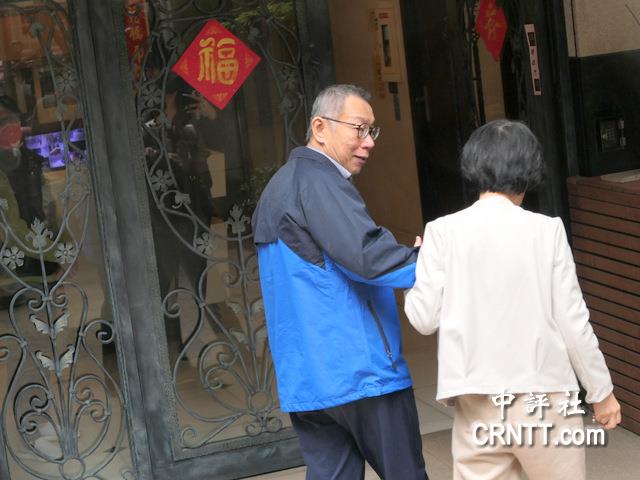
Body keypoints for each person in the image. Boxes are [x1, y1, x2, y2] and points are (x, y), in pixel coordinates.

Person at [404, 119, 621, 480]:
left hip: (475, 401)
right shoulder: (546, 231)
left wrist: (416, 269)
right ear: (529, 171)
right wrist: (601, 392)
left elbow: (423, 319)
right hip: (544, 398)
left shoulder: (441, 232)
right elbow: (573, 321)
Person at [252, 84, 428, 480]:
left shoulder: (278, 187)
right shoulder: (320, 182)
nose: (369, 142)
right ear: (320, 127)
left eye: (372, 131)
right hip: (360, 373)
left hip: (309, 383)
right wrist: (426, 261)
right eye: (359, 128)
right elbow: (367, 258)